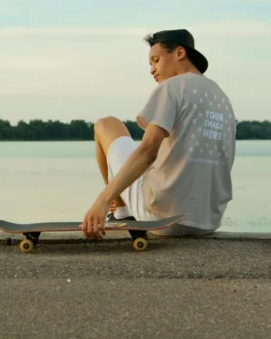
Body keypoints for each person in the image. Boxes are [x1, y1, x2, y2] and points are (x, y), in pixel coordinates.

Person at [80, 29, 236, 239]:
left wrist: (102, 201)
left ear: (179, 53)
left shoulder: (173, 87)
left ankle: (120, 211)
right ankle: (122, 209)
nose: (152, 69)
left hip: (162, 218)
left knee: (105, 125)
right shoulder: (222, 98)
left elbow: (148, 151)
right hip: (207, 221)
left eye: (156, 60)